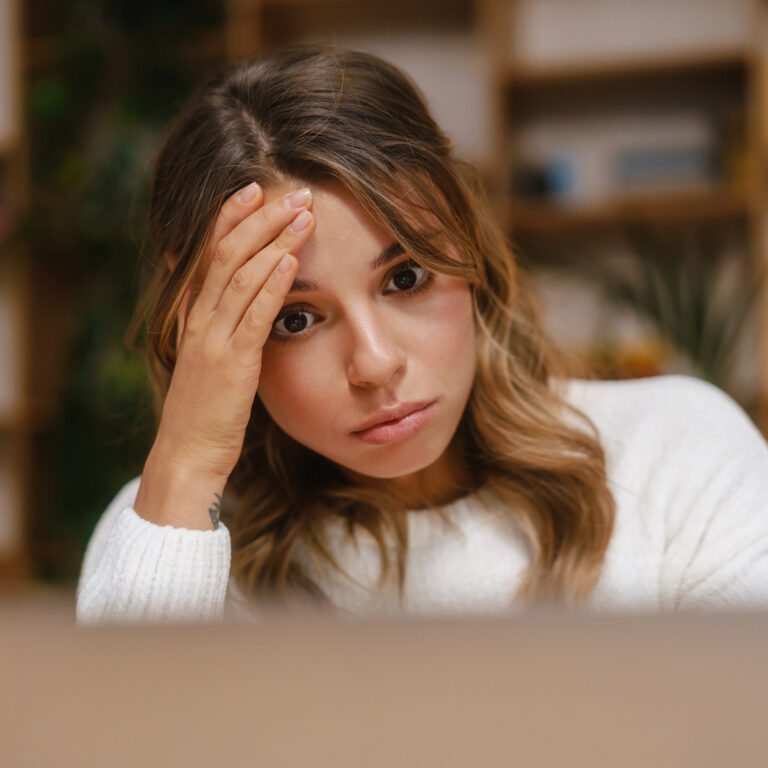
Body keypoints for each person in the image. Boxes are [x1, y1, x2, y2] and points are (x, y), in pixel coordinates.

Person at [76, 45, 768, 625]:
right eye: (294, 319)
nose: (375, 364)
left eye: (405, 278)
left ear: (469, 246)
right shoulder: (167, 533)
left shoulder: (678, 456)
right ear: (207, 330)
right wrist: (188, 463)